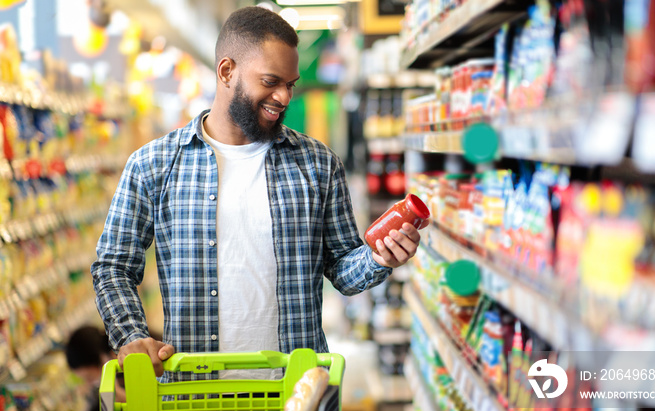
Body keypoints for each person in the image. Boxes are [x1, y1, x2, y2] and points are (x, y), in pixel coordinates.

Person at [91, 6, 423, 382]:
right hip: (196, 400)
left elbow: (343, 271)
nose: (283, 96)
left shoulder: (317, 164)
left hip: (297, 396)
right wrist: (130, 335)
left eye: (291, 84)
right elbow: (113, 265)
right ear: (227, 71)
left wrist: (380, 257)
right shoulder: (154, 164)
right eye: (270, 81)